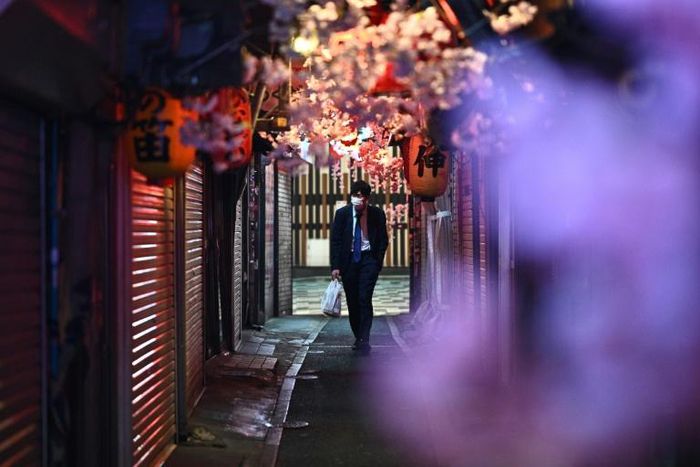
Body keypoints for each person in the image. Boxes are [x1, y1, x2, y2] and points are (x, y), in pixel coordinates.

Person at [330, 180, 388, 354]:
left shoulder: (377, 214)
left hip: (368, 259)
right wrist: (335, 266)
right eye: (355, 196)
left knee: (364, 297)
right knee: (353, 300)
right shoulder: (342, 214)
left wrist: (377, 261)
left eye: (361, 197)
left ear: (367, 199)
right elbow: (336, 241)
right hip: (349, 262)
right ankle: (358, 336)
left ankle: (364, 339)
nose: (358, 200)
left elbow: (383, 239)